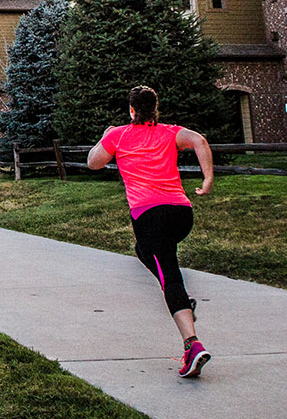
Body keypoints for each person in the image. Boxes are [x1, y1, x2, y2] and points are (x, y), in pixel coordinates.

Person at [86, 85, 216, 378]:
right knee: (143, 251)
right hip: (182, 215)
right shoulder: (171, 132)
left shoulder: (118, 135)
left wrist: (105, 136)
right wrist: (207, 179)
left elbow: (93, 163)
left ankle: (192, 345)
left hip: (150, 216)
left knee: (169, 275)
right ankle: (183, 299)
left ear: (131, 110)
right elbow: (199, 140)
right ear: (155, 108)